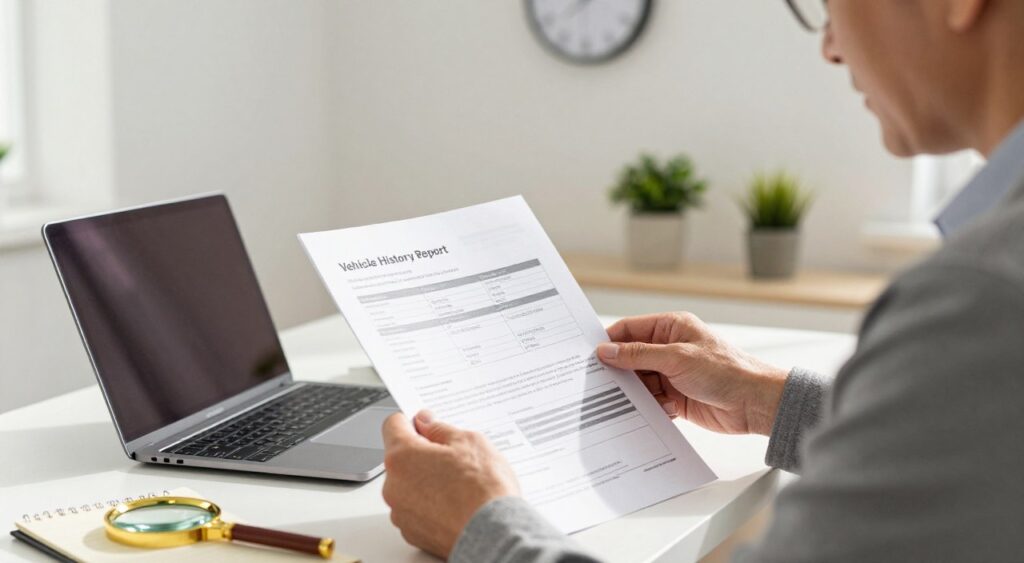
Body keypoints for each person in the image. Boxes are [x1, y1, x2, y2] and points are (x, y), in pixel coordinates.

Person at [380, 1, 1024, 561]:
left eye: (830, 3)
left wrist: (480, 527)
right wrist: (769, 400)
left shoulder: (986, 295)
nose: (830, 46)